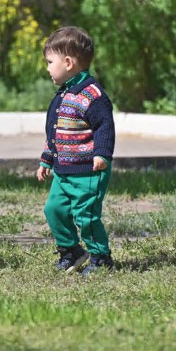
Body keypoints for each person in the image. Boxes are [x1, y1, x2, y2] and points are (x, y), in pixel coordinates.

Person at [36, 26, 116, 276]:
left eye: (50, 62)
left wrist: (102, 154)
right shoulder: (63, 95)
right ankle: (70, 250)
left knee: (86, 216)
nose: (47, 68)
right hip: (63, 171)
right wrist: (47, 159)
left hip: (88, 171)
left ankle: (101, 257)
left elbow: (104, 126)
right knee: (54, 210)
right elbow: (55, 132)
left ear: (69, 63)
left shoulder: (93, 95)